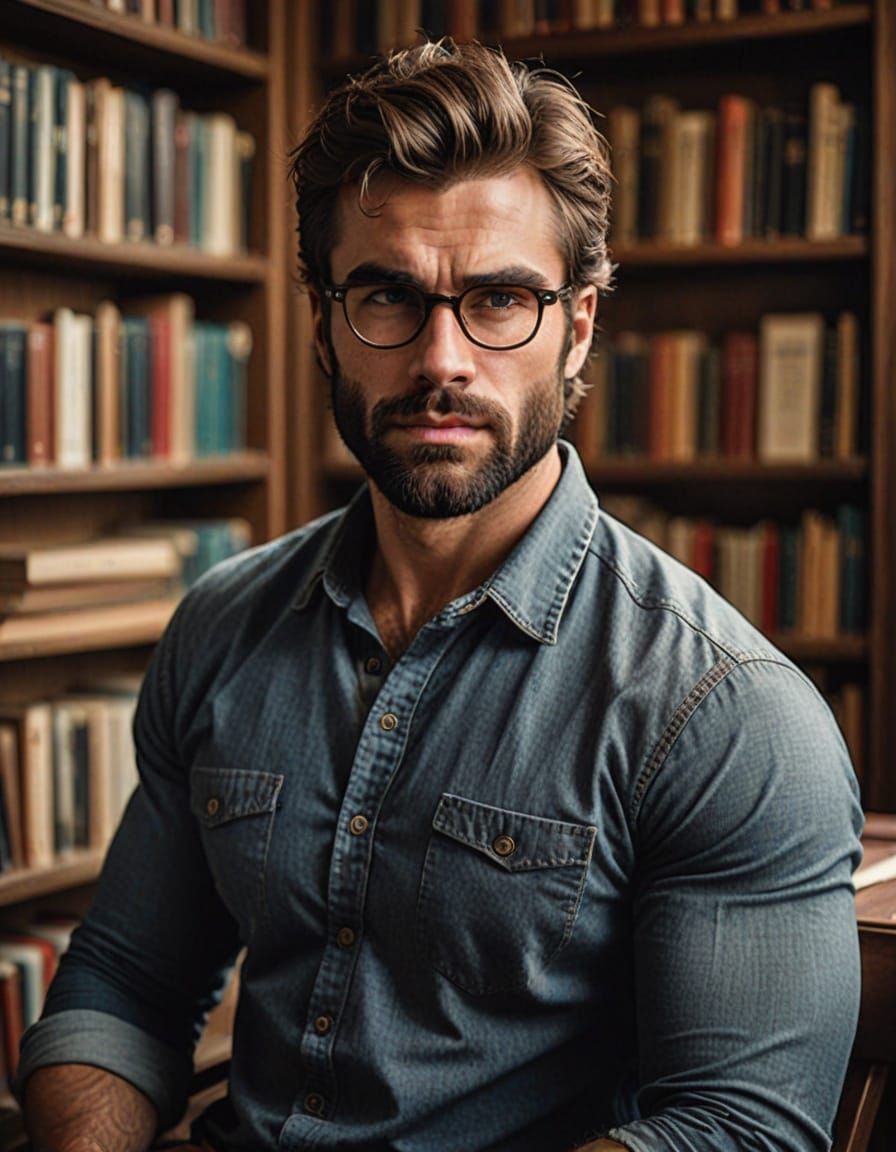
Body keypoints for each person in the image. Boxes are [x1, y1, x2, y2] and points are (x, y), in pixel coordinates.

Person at [20, 39, 862, 1152]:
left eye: (501, 299)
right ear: (321, 323)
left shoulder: (725, 713)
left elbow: (738, 1132)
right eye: (387, 297)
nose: (441, 358)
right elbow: (122, 985)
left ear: (579, 329)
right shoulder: (220, 627)